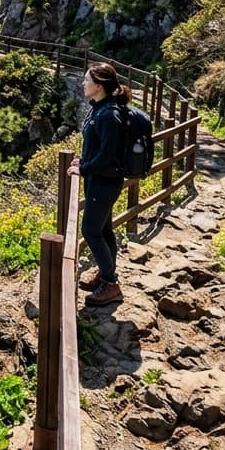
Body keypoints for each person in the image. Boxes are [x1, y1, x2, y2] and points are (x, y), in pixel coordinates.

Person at [66, 62, 131, 307]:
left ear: (99, 85)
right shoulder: (99, 109)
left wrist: (83, 168)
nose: (83, 83)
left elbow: (107, 155)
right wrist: (84, 160)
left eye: (87, 80)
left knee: (90, 231)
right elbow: (98, 148)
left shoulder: (109, 114)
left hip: (105, 182)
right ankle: (106, 274)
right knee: (104, 230)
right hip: (100, 180)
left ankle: (110, 283)